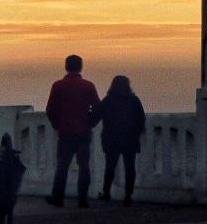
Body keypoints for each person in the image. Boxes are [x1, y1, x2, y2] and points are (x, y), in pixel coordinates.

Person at [45, 54, 100, 207]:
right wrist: (91, 122)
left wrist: (57, 124)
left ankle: (58, 198)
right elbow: (98, 107)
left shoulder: (58, 86)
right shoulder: (88, 86)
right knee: (84, 166)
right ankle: (83, 199)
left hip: (65, 132)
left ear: (66, 67)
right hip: (83, 131)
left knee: (62, 166)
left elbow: (50, 109)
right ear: (80, 67)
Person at [95, 75, 146, 206]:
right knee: (130, 167)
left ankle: (106, 192)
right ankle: (128, 195)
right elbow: (141, 119)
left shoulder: (108, 100)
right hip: (130, 138)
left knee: (110, 167)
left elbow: (96, 116)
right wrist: (137, 132)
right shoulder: (134, 100)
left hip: (111, 138)